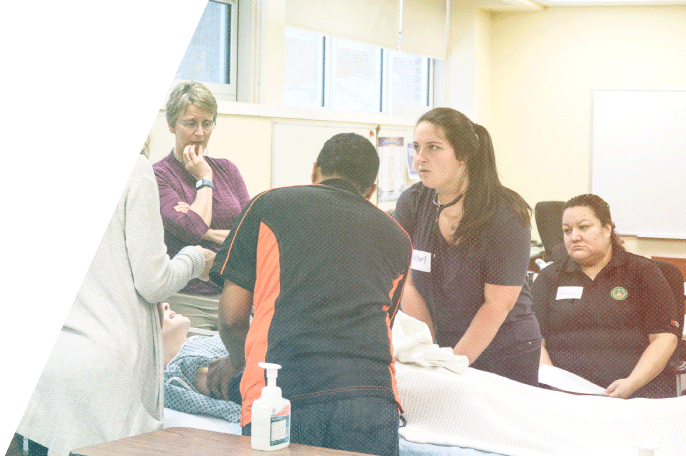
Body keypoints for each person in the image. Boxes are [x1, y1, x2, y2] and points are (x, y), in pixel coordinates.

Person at [205, 133, 412, 456]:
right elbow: (382, 325)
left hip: (284, 396)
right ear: (371, 191)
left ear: (315, 170)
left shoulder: (267, 206)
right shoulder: (399, 238)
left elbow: (232, 318)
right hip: (372, 399)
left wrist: (238, 364)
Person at [14, 145, 215, 456]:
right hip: (103, 375)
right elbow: (153, 281)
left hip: (47, 372)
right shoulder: (133, 169)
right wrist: (195, 259)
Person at [393, 107, 542, 386]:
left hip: (505, 350)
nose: (419, 158)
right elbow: (409, 284)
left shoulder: (506, 213)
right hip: (444, 346)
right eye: (416, 147)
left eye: (433, 147)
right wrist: (430, 352)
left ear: (464, 155)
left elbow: (498, 303)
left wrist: (452, 367)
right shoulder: (412, 203)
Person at [531, 194, 680, 398]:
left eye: (583, 227)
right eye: (567, 230)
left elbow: (665, 338)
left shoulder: (642, 271)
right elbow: (533, 340)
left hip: (635, 391)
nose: (574, 237)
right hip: (563, 397)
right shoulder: (549, 277)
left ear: (607, 229)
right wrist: (554, 385)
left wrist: (631, 384)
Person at [154, 81, 251, 331]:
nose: (200, 133)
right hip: (185, 300)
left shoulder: (227, 170)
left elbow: (251, 234)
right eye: (190, 123)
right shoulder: (159, 176)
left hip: (233, 296)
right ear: (171, 124)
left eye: (207, 123)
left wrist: (208, 233)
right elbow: (192, 230)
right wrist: (204, 179)